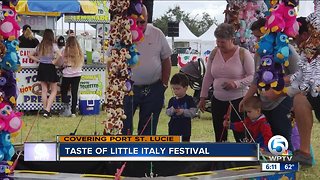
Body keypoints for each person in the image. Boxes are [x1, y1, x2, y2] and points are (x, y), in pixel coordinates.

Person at [239, 19, 299, 151]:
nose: (258, 40)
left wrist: (278, 81)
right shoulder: (260, 52)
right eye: (255, 37)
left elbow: (300, 74)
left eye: (260, 36)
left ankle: (286, 166)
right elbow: (256, 78)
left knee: (283, 136)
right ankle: (272, 165)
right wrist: (246, 98)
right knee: (268, 136)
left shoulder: (286, 49)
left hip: (282, 101)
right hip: (264, 103)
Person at [198, 23, 255, 142]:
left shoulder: (243, 53)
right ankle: (221, 159)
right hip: (217, 100)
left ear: (232, 39)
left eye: (222, 42)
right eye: (217, 41)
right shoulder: (214, 53)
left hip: (238, 100)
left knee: (240, 135)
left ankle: (244, 159)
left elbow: (252, 76)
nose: (219, 45)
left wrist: (236, 83)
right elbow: (208, 76)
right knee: (219, 134)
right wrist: (202, 97)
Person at [122, 5, 172, 135]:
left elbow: (166, 59)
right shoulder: (121, 34)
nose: (138, 25)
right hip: (126, 90)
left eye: (142, 21)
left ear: (148, 18)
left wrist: (164, 84)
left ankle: (145, 154)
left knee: (147, 131)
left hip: (153, 89)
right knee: (124, 129)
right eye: (134, 21)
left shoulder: (157, 33)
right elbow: (112, 60)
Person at [291, 17, 318, 166]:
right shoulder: (305, 53)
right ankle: (304, 152)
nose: (293, 41)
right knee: (300, 99)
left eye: (294, 36)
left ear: (304, 35)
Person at [28, 29, 61, 117]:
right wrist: (54, 61)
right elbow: (60, 54)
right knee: (54, 90)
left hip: (42, 67)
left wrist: (38, 60)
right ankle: (47, 109)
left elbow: (30, 55)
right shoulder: (53, 45)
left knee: (44, 90)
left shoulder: (40, 45)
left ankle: (45, 109)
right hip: (50, 67)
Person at [166, 73, 197, 142]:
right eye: (173, 89)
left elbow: (193, 112)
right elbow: (167, 112)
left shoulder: (189, 99)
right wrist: (173, 110)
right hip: (173, 130)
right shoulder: (172, 100)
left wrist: (183, 111)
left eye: (178, 89)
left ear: (185, 88)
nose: (175, 91)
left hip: (185, 130)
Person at [59, 36, 84, 117]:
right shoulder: (79, 51)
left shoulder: (64, 50)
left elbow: (61, 62)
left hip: (67, 73)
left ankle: (66, 107)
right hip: (77, 73)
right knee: (74, 92)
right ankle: (73, 111)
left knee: (64, 90)